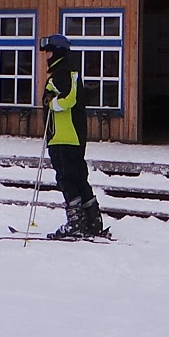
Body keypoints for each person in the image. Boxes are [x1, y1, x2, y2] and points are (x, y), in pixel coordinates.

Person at [38, 33, 107, 240]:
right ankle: (92, 219)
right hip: (73, 136)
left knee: (66, 178)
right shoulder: (69, 70)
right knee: (78, 177)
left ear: (57, 52)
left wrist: (51, 103)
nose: (46, 56)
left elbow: (68, 99)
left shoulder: (63, 72)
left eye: (48, 51)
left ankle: (76, 222)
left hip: (63, 136)